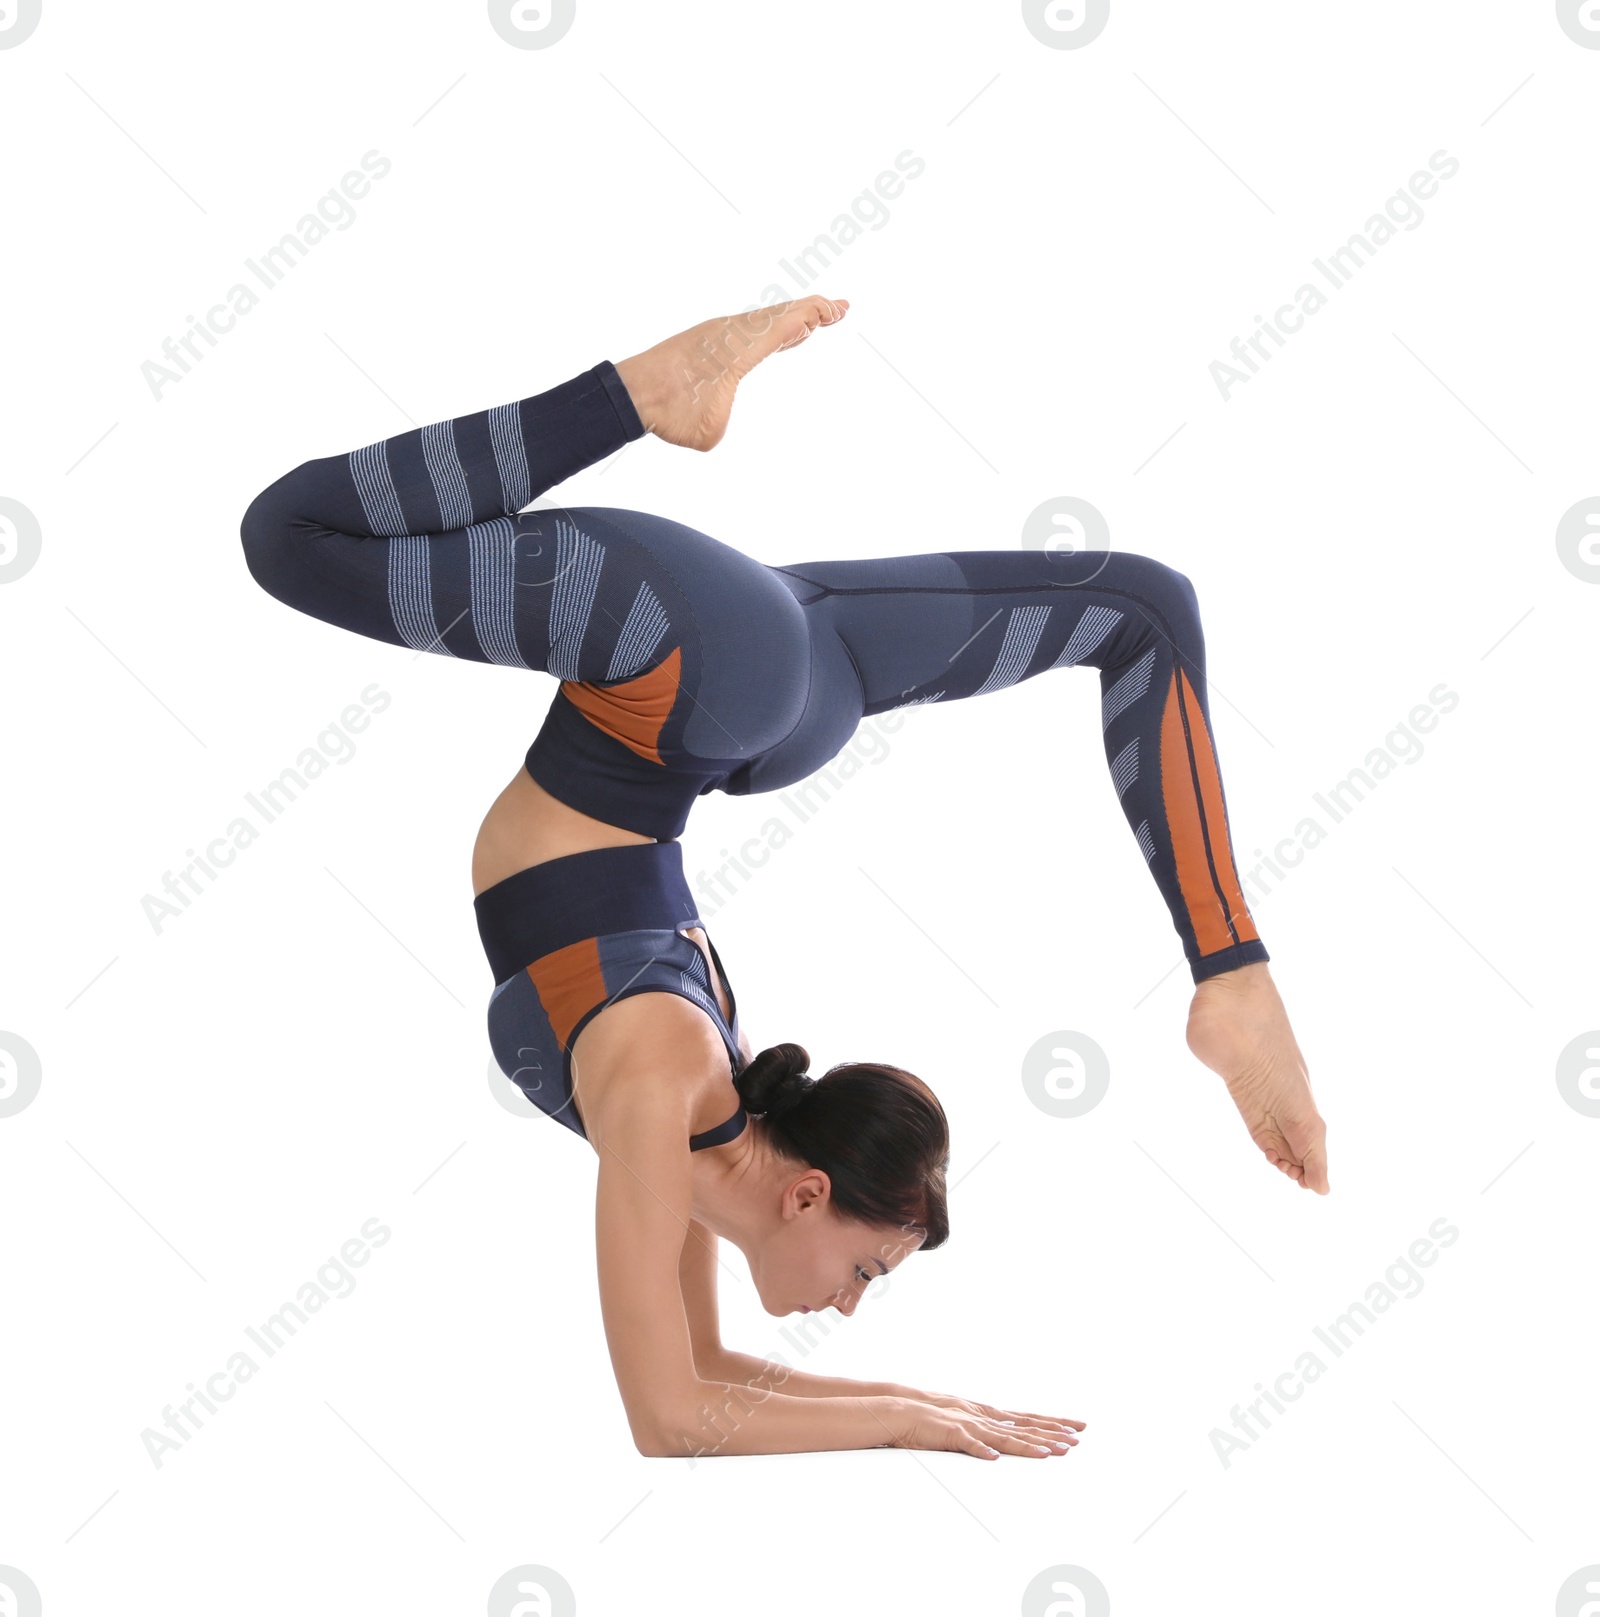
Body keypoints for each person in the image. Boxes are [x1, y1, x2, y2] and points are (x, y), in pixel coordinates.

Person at [239, 296, 1328, 1461]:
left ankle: (1232, 972)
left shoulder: (697, 1131)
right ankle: (638, 396)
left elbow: (700, 1382)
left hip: (761, 680)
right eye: (868, 1268)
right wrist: (908, 1422)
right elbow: (670, 1420)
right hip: (685, 664)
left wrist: (928, 1407)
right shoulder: (670, 1083)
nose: (851, 1302)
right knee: (291, 536)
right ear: (807, 1194)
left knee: (1137, 610)